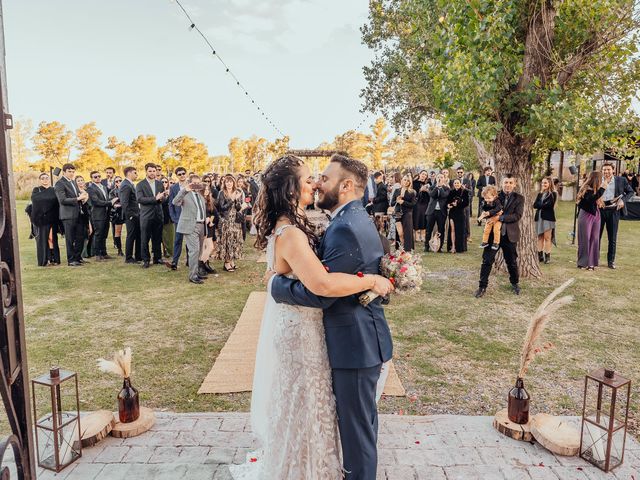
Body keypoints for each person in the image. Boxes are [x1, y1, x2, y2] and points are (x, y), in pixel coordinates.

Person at [237, 154, 393, 480]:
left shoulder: (309, 225)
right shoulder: (292, 231)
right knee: (305, 409)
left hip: (323, 332)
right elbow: (321, 285)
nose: (316, 183)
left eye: (319, 177)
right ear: (292, 188)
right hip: (302, 331)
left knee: (314, 412)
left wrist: (276, 281)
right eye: (309, 178)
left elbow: (316, 278)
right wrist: (371, 280)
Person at [475, 174, 524, 298]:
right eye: (505, 182)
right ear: (502, 183)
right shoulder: (495, 195)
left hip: (509, 234)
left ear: (514, 184)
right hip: (492, 235)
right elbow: (485, 206)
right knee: (487, 260)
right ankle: (482, 286)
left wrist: (500, 217)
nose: (507, 185)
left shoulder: (519, 198)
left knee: (511, 261)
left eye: (510, 182)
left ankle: (515, 283)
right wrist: (485, 211)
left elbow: (517, 216)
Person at [172, 174, 209, 284]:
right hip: (190, 226)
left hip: (202, 226)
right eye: (194, 183)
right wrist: (184, 190)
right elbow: (175, 202)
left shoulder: (200, 195)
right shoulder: (185, 194)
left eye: (198, 183)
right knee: (194, 250)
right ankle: (192, 276)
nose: (196, 185)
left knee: (200, 251)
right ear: (190, 183)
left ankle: (196, 272)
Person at [598, 162, 634, 269]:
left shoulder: (621, 180)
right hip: (600, 211)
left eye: (608, 169)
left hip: (614, 211)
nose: (606, 172)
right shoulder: (599, 180)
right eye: (604, 170)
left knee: (612, 238)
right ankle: (595, 259)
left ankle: (611, 261)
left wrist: (623, 200)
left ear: (613, 170)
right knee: (597, 237)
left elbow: (630, 192)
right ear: (602, 171)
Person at [54, 163, 89, 267]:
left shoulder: (73, 182)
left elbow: (78, 195)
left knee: (80, 236)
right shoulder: (59, 183)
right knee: (70, 238)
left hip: (78, 213)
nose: (72, 173)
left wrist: (83, 196)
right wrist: (78, 199)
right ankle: (71, 260)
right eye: (69, 171)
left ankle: (78, 257)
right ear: (64, 172)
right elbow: (62, 200)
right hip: (68, 215)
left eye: (73, 171)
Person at [136, 163, 167, 268]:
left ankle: (157, 258)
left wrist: (163, 198)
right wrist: (155, 198)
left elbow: (162, 199)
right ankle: (146, 259)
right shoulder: (140, 184)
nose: (152, 173)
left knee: (157, 238)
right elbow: (140, 199)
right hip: (146, 216)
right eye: (150, 171)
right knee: (145, 239)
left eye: (154, 171)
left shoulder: (159, 184)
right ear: (146, 171)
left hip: (158, 215)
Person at [577, 171, 606, 270]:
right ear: (596, 179)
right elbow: (591, 199)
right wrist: (602, 189)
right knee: (585, 238)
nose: (602, 181)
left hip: (596, 215)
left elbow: (596, 200)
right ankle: (582, 262)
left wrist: (613, 201)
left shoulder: (596, 191)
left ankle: (591, 263)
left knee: (595, 238)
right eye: (601, 179)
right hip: (585, 215)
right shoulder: (586, 189)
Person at [30, 173, 61, 266]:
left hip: (53, 217)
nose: (45, 180)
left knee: (52, 238)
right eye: (42, 178)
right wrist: (49, 200)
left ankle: (53, 258)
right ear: (40, 180)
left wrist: (47, 200)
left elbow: (57, 201)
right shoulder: (37, 190)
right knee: (43, 239)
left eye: (47, 178)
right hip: (41, 218)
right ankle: (45, 259)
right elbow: (35, 200)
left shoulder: (53, 189)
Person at [216, 175, 246, 272]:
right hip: (226, 220)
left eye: (231, 182)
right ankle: (226, 263)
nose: (229, 184)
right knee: (227, 241)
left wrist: (238, 201)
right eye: (227, 182)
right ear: (224, 183)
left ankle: (232, 260)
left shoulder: (237, 192)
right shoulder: (221, 193)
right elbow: (222, 207)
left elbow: (238, 208)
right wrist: (232, 199)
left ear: (234, 183)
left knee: (235, 241)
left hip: (236, 221)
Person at [87, 170, 114, 261]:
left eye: (99, 176)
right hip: (97, 215)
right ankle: (97, 254)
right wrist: (110, 203)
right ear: (91, 179)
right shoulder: (91, 188)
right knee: (98, 234)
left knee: (104, 234)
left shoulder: (104, 187)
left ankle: (104, 252)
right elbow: (96, 202)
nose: (98, 178)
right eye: (95, 177)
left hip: (106, 214)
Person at [119, 166, 142, 264]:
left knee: (138, 235)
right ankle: (128, 257)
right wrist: (130, 215)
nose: (137, 175)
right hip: (131, 215)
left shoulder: (131, 184)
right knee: (131, 235)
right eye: (135, 173)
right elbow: (124, 202)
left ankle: (138, 256)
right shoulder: (125, 185)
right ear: (129, 173)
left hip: (136, 214)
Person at [533, 177, 557, 264]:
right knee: (540, 237)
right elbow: (535, 205)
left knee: (547, 237)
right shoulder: (540, 194)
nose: (543, 184)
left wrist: (541, 205)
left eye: (545, 183)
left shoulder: (553, 194)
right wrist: (542, 204)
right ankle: (540, 256)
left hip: (548, 218)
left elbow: (549, 205)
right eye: (542, 183)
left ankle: (547, 256)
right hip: (539, 218)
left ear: (550, 183)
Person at [169, 167, 189, 270]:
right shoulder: (173, 188)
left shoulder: (191, 186)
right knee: (177, 241)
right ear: (177, 176)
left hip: (189, 218)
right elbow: (171, 204)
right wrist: (173, 217)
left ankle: (189, 261)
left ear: (186, 174)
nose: (182, 175)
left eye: (183, 173)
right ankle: (174, 262)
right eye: (179, 174)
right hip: (178, 218)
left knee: (189, 241)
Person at [424, 173, 450, 252]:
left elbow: (444, 195)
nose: (440, 178)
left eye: (441, 177)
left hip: (441, 212)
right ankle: (426, 246)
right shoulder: (431, 187)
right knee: (429, 229)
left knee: (441, 229)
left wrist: (441, 187)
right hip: (431, 211)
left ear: (444, 179)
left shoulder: (446, 189)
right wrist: (436, 187)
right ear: (436, 178)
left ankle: (440, 246)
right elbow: (431, 194)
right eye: (438, 177)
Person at [391, 174, 417, 251]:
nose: (406, 182)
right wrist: (397, 200)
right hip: (398, 214)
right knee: (400, 233)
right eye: (405, 180)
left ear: (410, 182)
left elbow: (413, 204)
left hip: (407, 214)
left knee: (407, 232)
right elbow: (392, 203)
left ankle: (406, 250)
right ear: (402, 180)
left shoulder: (412, 192)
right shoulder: (397, 190)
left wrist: (403, 202)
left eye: (408, 180)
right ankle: (401, 248)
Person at [200, 178, 218, 275]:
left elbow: (215, 213)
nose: (207, 191)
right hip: (202, 226)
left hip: (210, 227)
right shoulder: (199, 201)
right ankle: (201, 265)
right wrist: (206, 218)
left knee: (210, 247)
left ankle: (204, 264)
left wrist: (210, 219)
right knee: (205, 247)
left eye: (208, 189)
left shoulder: (210, 201)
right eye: (205, 189)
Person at [446, 178, 469, 254]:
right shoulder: (451, 192)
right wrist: (449, 205)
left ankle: (460, 247)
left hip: (460, 213)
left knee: (460, 230)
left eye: (458, 183)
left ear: (460, 183)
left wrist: (458, 204)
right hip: (452, 213)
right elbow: (448, 202)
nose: (456, 184)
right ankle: (452, 246)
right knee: (452, 229)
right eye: (455, 183)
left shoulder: (464, 192)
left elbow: (466, 203)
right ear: (453, 184)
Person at [478, 185, 503, 251]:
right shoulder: (485, 202)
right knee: (486, 230)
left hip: (497, 219)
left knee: (496, 229)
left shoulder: (497, 201)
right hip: (490, 218)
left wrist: (489, 212)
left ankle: (496, 243)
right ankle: (484, 242)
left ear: (494, 196)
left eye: (488, 198)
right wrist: (484, 212)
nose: (487, 200)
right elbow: (484, 210)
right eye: (485, 198)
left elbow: (498, 208)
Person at [160, 176, 174, 259]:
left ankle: (170, 251)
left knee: (170, 236)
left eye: (166, 182)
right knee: (162, 236)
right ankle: (163, 251)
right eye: (162, 182)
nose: (164, 183)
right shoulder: (158, 193)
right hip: (161, 216)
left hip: (169, 217)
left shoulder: (171, 192)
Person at [109, 176, 125, 256]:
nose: (119, 182)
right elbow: (112, 203)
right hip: (118, 213)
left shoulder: (127, 189)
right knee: (118, 231)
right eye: (117, 181)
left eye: (120, 180)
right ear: (114, 183)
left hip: (127, 212)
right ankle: (119, 249)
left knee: (131, 231)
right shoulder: (112, 192)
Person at [413, 170, 429, 243]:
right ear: (419, 174)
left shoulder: (428, 183)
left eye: (425, 175)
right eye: (423, 174)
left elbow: (431, 194)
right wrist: (420, 190)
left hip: (425, 204)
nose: (424, 176)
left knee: (424, 219)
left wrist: (427, 191)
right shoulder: (414, 183)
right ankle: (417, 236)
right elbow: (413, 194)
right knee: (417, 218)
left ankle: (423, 235)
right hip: (417, 203)